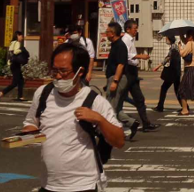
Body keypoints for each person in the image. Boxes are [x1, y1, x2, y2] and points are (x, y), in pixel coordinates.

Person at [21, 42, 125, 192]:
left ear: (80, 71)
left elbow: (119, 141)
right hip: (49, 184)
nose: (57, 76)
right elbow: (31, 123)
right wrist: (27, 134)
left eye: (63, 71)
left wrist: (99, 119)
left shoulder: (94, 101)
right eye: (54, 70)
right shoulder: (43, 94)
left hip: (83, 185)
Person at [119, 19, 158, 132]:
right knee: (121, 98)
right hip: (128, 72)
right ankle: (115, 120)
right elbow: (125, 56)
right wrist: (140, 56)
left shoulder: (130, 39)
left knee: (138, 99)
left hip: (132, 72)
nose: (136, 30)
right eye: (135, 28)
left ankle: (146, 124)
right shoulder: (125, 40)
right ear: (128, 29)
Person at [104, 22, 141, 141]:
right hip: (117, 79)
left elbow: (120, 65)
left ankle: (112, 134)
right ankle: (131, 123)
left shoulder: (120, 45)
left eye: (108, 32)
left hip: (117, 79)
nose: (106, 33)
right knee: (117, 108)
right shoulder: (116, 44)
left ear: (113, 33)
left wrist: (115, 81)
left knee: (109, 108)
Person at [153, 34, 181, 112]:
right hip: (176, 72)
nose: (166, 40)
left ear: (169, 39)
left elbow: (168, 58)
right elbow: (168, 58)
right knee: (177, 90)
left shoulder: (173, 48)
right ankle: (185, 107)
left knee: (164, 88)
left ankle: (160, 106)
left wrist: (158, 66)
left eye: (166, 38)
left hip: (173, 73)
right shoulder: (175, 47)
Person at [0, 31, 26, 102]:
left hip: (13, 64)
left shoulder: (12, 43)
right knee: (15, 83)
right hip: (15, 64)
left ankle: (20, 96)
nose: (22, 38)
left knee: (21, 80)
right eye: (21, 36)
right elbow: (16, 52)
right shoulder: (17, 43)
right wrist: (22, 50)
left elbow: (10, 53)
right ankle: (1, 92)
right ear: (18, 35)